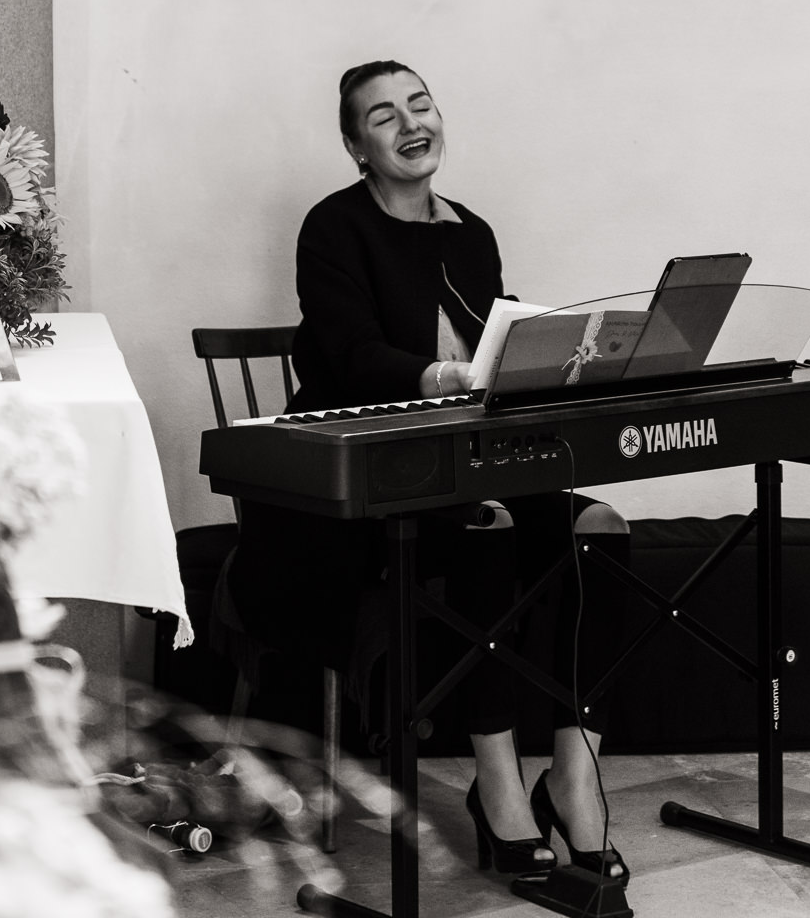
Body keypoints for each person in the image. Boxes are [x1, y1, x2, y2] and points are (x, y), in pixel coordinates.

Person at [229, 60, 630, 883]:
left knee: (594, 530)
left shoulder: (471, 233)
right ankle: (497, 788)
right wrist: (446, 377)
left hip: (463, 456)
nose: (412, 123)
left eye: (421, 104)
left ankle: (574, 771)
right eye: (383, 117)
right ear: (355, 146)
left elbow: (496, 347)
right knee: (490, 525)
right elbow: (346, 354)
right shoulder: (333, 227)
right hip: (355, 479)